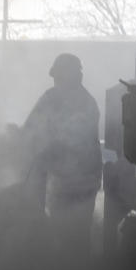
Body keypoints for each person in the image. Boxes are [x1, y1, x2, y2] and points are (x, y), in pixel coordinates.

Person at [22, 53, 102, 255]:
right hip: (61, 180)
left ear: (74, 76)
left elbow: (75, 141)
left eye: (60, 76)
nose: (57, 81)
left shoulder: (87, 104)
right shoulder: (51, 98)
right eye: (56, 77)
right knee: (59, 233)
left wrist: (47, 149)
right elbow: (30, 128)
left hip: (82, 181)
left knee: (76, 236)